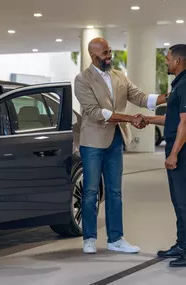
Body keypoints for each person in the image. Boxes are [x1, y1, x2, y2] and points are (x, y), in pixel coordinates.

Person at [74, 37, 166, 254]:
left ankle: (116, 239)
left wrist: (169, 96)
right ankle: (89, 238)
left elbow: (142, 98)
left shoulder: (119, 76)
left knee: (115, 191)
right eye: (105, 53)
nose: (109, 56)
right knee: (89, 191)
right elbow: (98, 113)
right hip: (93, 142)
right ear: (93, 56)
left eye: (109, 52)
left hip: (115, 140)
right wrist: (130, 118)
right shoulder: (82, 79)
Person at [145, 44, 186, 267]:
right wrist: (148, 119)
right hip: (177, 146)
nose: (166, 62)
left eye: (168, 58)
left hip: (181, 150)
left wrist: (174, 153)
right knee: (178, 200)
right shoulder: (179, 85)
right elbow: (172, 119)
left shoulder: (185, 84)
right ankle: (182, 244)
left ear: (178, 61)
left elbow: (185, 123)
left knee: (183, 201)